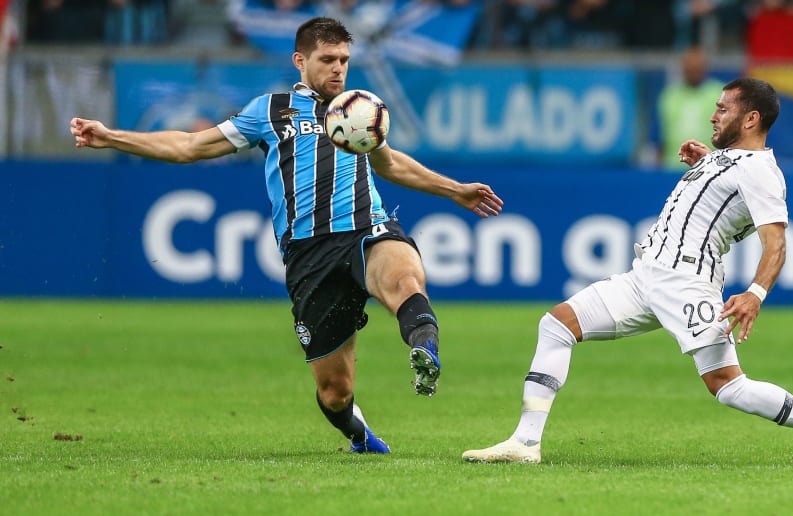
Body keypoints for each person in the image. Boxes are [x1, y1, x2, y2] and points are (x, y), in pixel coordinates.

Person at [70, 16, 503, 454]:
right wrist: (112, 137)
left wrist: (455, 190)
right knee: (335, 392)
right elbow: (189, 146)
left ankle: (425, 348)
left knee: (404, 279)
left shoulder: (359, 106)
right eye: (328, 59)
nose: (339, 68)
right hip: (308, 254)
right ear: (300, 60)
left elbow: (389, 164)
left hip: (363, 226)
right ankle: (359, 436)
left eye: (345, 60)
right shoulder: (270, 110)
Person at [462, 77, 793, 468]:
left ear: (751, 118)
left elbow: (776, 243)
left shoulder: (760, 172)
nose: (713, 115)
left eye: (723, 109)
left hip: (686, 283)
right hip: (645, 277)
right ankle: (526, 443)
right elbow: (725, 190)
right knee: (557, 325)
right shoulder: (731, 162)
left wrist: (755, 293)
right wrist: (708, 162)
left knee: (728, 386)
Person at [656, 45, 724, 170]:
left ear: (704, 68)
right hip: (673, 167)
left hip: (710, 168)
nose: (693, 71)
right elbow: (660, 137)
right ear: (683, 68)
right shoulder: (670, 95)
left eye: (697, 68)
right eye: (690, 67)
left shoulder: (720, 94)